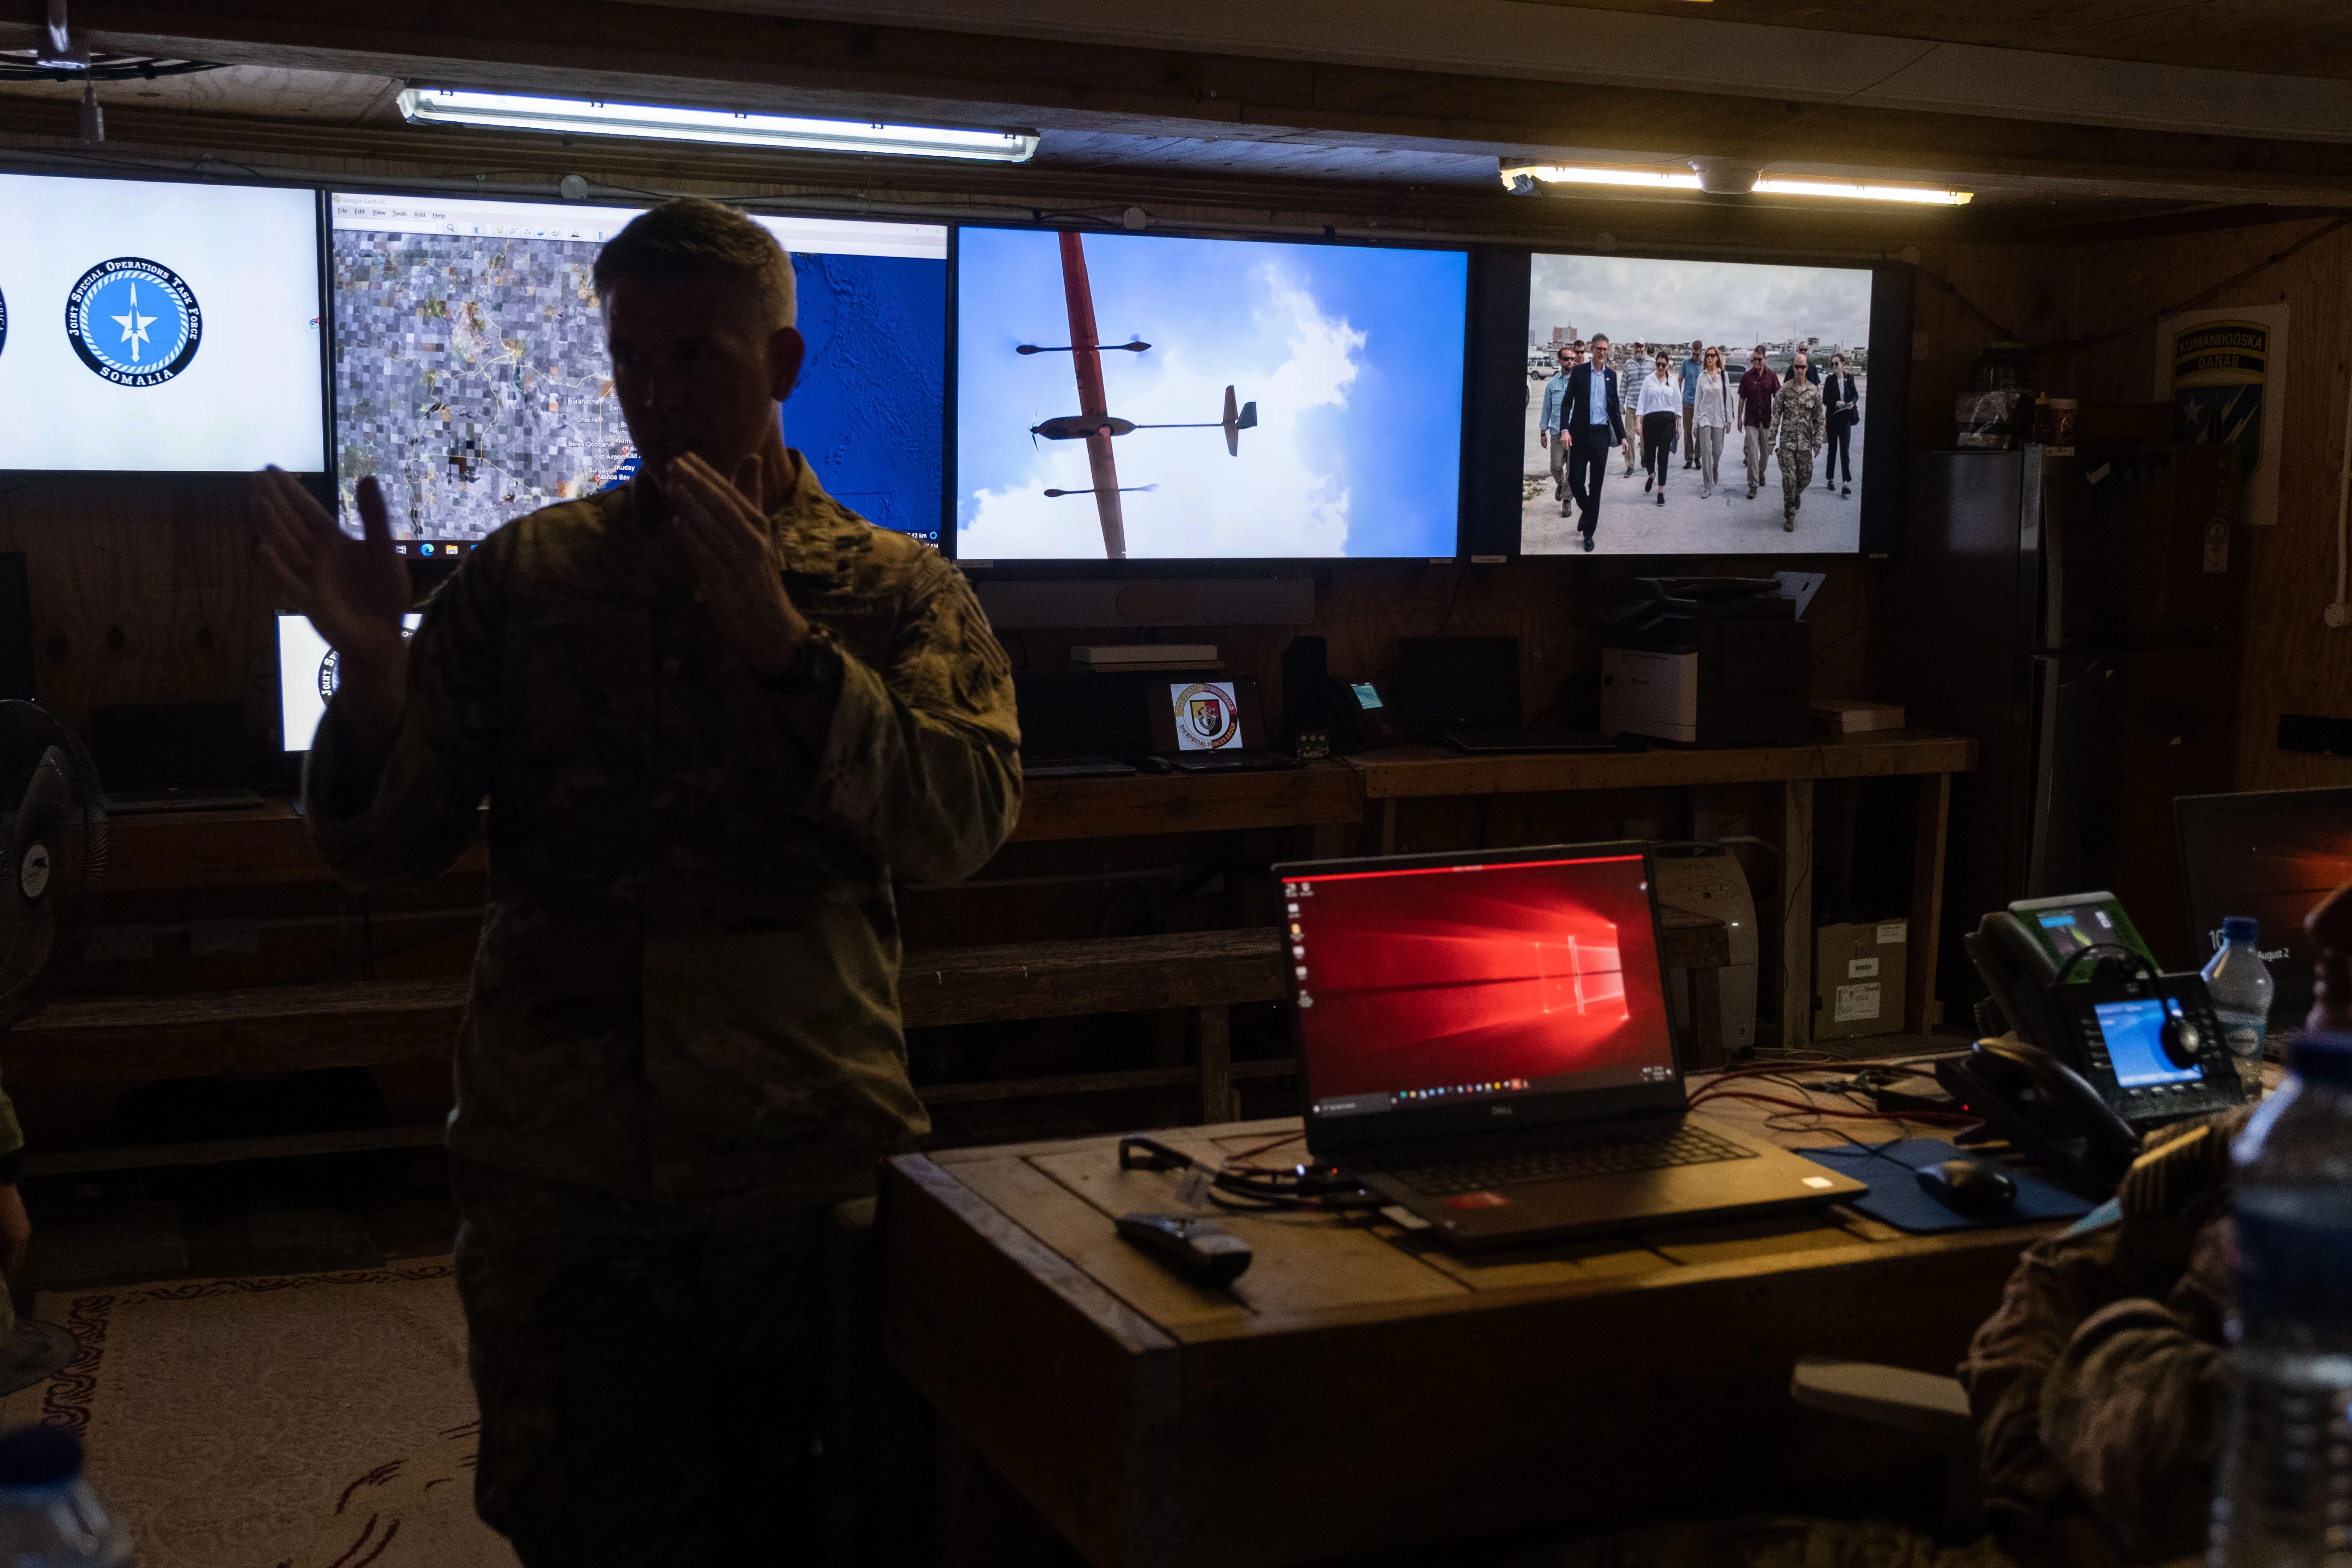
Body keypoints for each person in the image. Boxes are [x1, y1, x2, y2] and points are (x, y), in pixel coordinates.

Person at [257, 198, 1023, 1565]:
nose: (656, 396)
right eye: (632, 362)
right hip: (561, 1172)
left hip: (796, 1166)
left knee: (822, 1520)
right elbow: (392, 846)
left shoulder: (894, 594)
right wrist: (376, 692)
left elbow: (963, 822)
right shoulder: (526, 582)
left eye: (696, 359)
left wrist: (792, 656)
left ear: (781, 367)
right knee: (581, 1523)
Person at [1561, 330, 1625, 551]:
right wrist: (1564, 430)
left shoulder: (1611, 376)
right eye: (1599, 349)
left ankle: (1589, 534)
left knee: (1596, 486)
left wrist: (1623, 436)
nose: (1603, 353)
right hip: (1579, 435)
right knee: (1576, 481)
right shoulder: (1578, 373)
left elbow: (1615, 410)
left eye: (1606, 350)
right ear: (1592, 350)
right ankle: (1588, 512)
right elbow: (1567, 403)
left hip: (1601, 436)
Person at [1772, 347, 1826, 531]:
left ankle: (1797, 495)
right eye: (1797, 367)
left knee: (1805, 477)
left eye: (1803, 367)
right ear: (1793, 368)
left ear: (1807, 368)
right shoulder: (1785, 390)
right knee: (1789, 479)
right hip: (1787, 443)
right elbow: (1776, 416)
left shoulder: (1813, 392)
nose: (1800, 370)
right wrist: (1771, 440)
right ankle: (1789, 516)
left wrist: (1818, 442)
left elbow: (1819, 419)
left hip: (1804, 444)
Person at [1689, 346, 1734, 501]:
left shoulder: (1724, 376)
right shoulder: (1702, 377)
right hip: (1705, 418)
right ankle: (1707, 485)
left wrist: (1729, 420)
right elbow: (1697, 401)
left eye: (1713, 356)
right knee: (1706, 451)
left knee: (1718, 451)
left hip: (1719, 418)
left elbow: (1728, 398)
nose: (1709, 358)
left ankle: (1716, 466)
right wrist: (1695, 423)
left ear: (1717, 358)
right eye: (1707, 356)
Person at [1636, 351, 1680, 506]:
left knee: (1663, 456)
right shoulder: (1649, 380)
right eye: (1658, 364)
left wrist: (1679, 424)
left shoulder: (1673, 381)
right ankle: (1652, 474)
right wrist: (1638, 421)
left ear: (1668, 365)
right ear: (1655, 365)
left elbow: (1678, 403)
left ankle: (1661, 491)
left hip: (1668, 421)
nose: (1661, 367)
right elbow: (1642, 402)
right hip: (1650, 420)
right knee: (1649, 453)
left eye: (1664, 365)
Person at [1536, 345, 1580, 502]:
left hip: (1575, 432)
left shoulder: (1579, 382)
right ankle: (1561, 484)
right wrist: (1543, 432)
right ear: (1560, 361)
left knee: (1572, 469)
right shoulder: (1552, 385)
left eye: (1572, 359)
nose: (1570, 362)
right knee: (1556, 467)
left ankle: (1567, 500)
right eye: (1567, 359)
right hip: (1556, 431)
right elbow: (1546, 409)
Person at [1736, 346, 1780, 501]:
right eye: (1753, 359)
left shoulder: (1772, 376)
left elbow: (1778, 397)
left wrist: (1778, 419)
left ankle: (1761, 473)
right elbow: (1742, 398)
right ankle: (1753, 485)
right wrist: (1739, 418)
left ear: (1765, 359)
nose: (1756, 362)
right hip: (1751, 420)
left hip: (1767, 420)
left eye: (1759, 359)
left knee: (1766, 453)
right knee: (1753, 453)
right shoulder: (1747, 377)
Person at [1822, 352, 1860, 498]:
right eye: (1832, 364)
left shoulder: (1849, 378)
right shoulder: (1830, 381)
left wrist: (1852, 404)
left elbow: (1856, 395)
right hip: (1833, 419)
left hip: (1846, 419)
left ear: (1843, 364)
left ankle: (1846, 482)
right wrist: (1835, 403)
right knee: (1833, 450)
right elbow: (1825, 400)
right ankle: (1830, 479)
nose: (1834, 366)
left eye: (1837, 363)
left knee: (1845, 451)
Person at [1620, 341, 1646, 476]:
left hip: (1647, 408)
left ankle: (1644, 454)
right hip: (1632, 406)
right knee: (1629, 435)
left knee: (1646, 436)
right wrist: (1621, 404)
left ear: (1645, 347)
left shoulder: (1652, 364)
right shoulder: (1628, 365)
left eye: (1641, 346)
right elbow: (1624, 385)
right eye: (1636, 347)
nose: (1639, 349)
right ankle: (1630, 465)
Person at [1679, 339, 1703, 468]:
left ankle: (1698, 457)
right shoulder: (1686, 362)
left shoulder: (1705, 364)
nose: (1695, 357)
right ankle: (1689, 458)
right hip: (1688, 402)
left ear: (1701, 352)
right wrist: (1678, 397)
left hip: (1701, 403)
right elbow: (1680, 380)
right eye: (1694, 354)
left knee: (1699, 431)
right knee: (1688, 431)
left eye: (1698, 355)